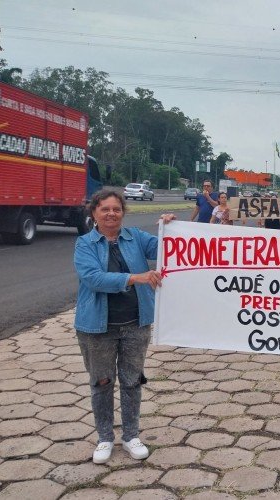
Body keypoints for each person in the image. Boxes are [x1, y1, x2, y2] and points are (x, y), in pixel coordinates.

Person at [74, 189, 176, 464]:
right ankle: (105, 438)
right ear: (94, 212)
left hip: (135, 324)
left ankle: (131, 436)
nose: (111, 214)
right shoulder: (85, 244)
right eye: (104, 209)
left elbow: (169, 248)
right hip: (97, 328)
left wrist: (170, 227)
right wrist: (136, 277)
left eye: (116, 209)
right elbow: (94, 278)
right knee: (102, 383)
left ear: (123, 212)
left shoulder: (137, 238)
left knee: (132, 382)